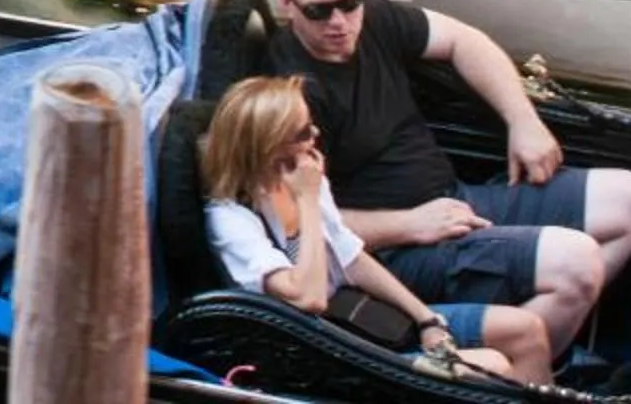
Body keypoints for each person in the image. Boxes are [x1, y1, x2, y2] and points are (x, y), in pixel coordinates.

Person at [265, 0, 631, 361]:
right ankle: (516, 367)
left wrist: (522, 121)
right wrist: (410, 224)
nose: (339, 21)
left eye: (350, 2)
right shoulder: (290, 96)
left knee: (630, 200)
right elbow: (303, 226)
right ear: (287, 1)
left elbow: (465, 40)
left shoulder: (377, 20)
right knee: (576, 263)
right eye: (319, 11)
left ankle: (538, 348)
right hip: (394, 252)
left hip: (454, 200)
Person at [199, 76, 544, 383]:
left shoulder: (304, 179)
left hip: (358, 317)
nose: (316, 137)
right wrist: (307, 200)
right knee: (493, 365)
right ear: (269, 147)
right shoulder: (232, 220)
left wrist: (426, 319)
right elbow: (310, 298)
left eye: (313, 126)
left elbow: (352, 259)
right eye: (304, 133)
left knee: (527, 331)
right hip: (315, 350)